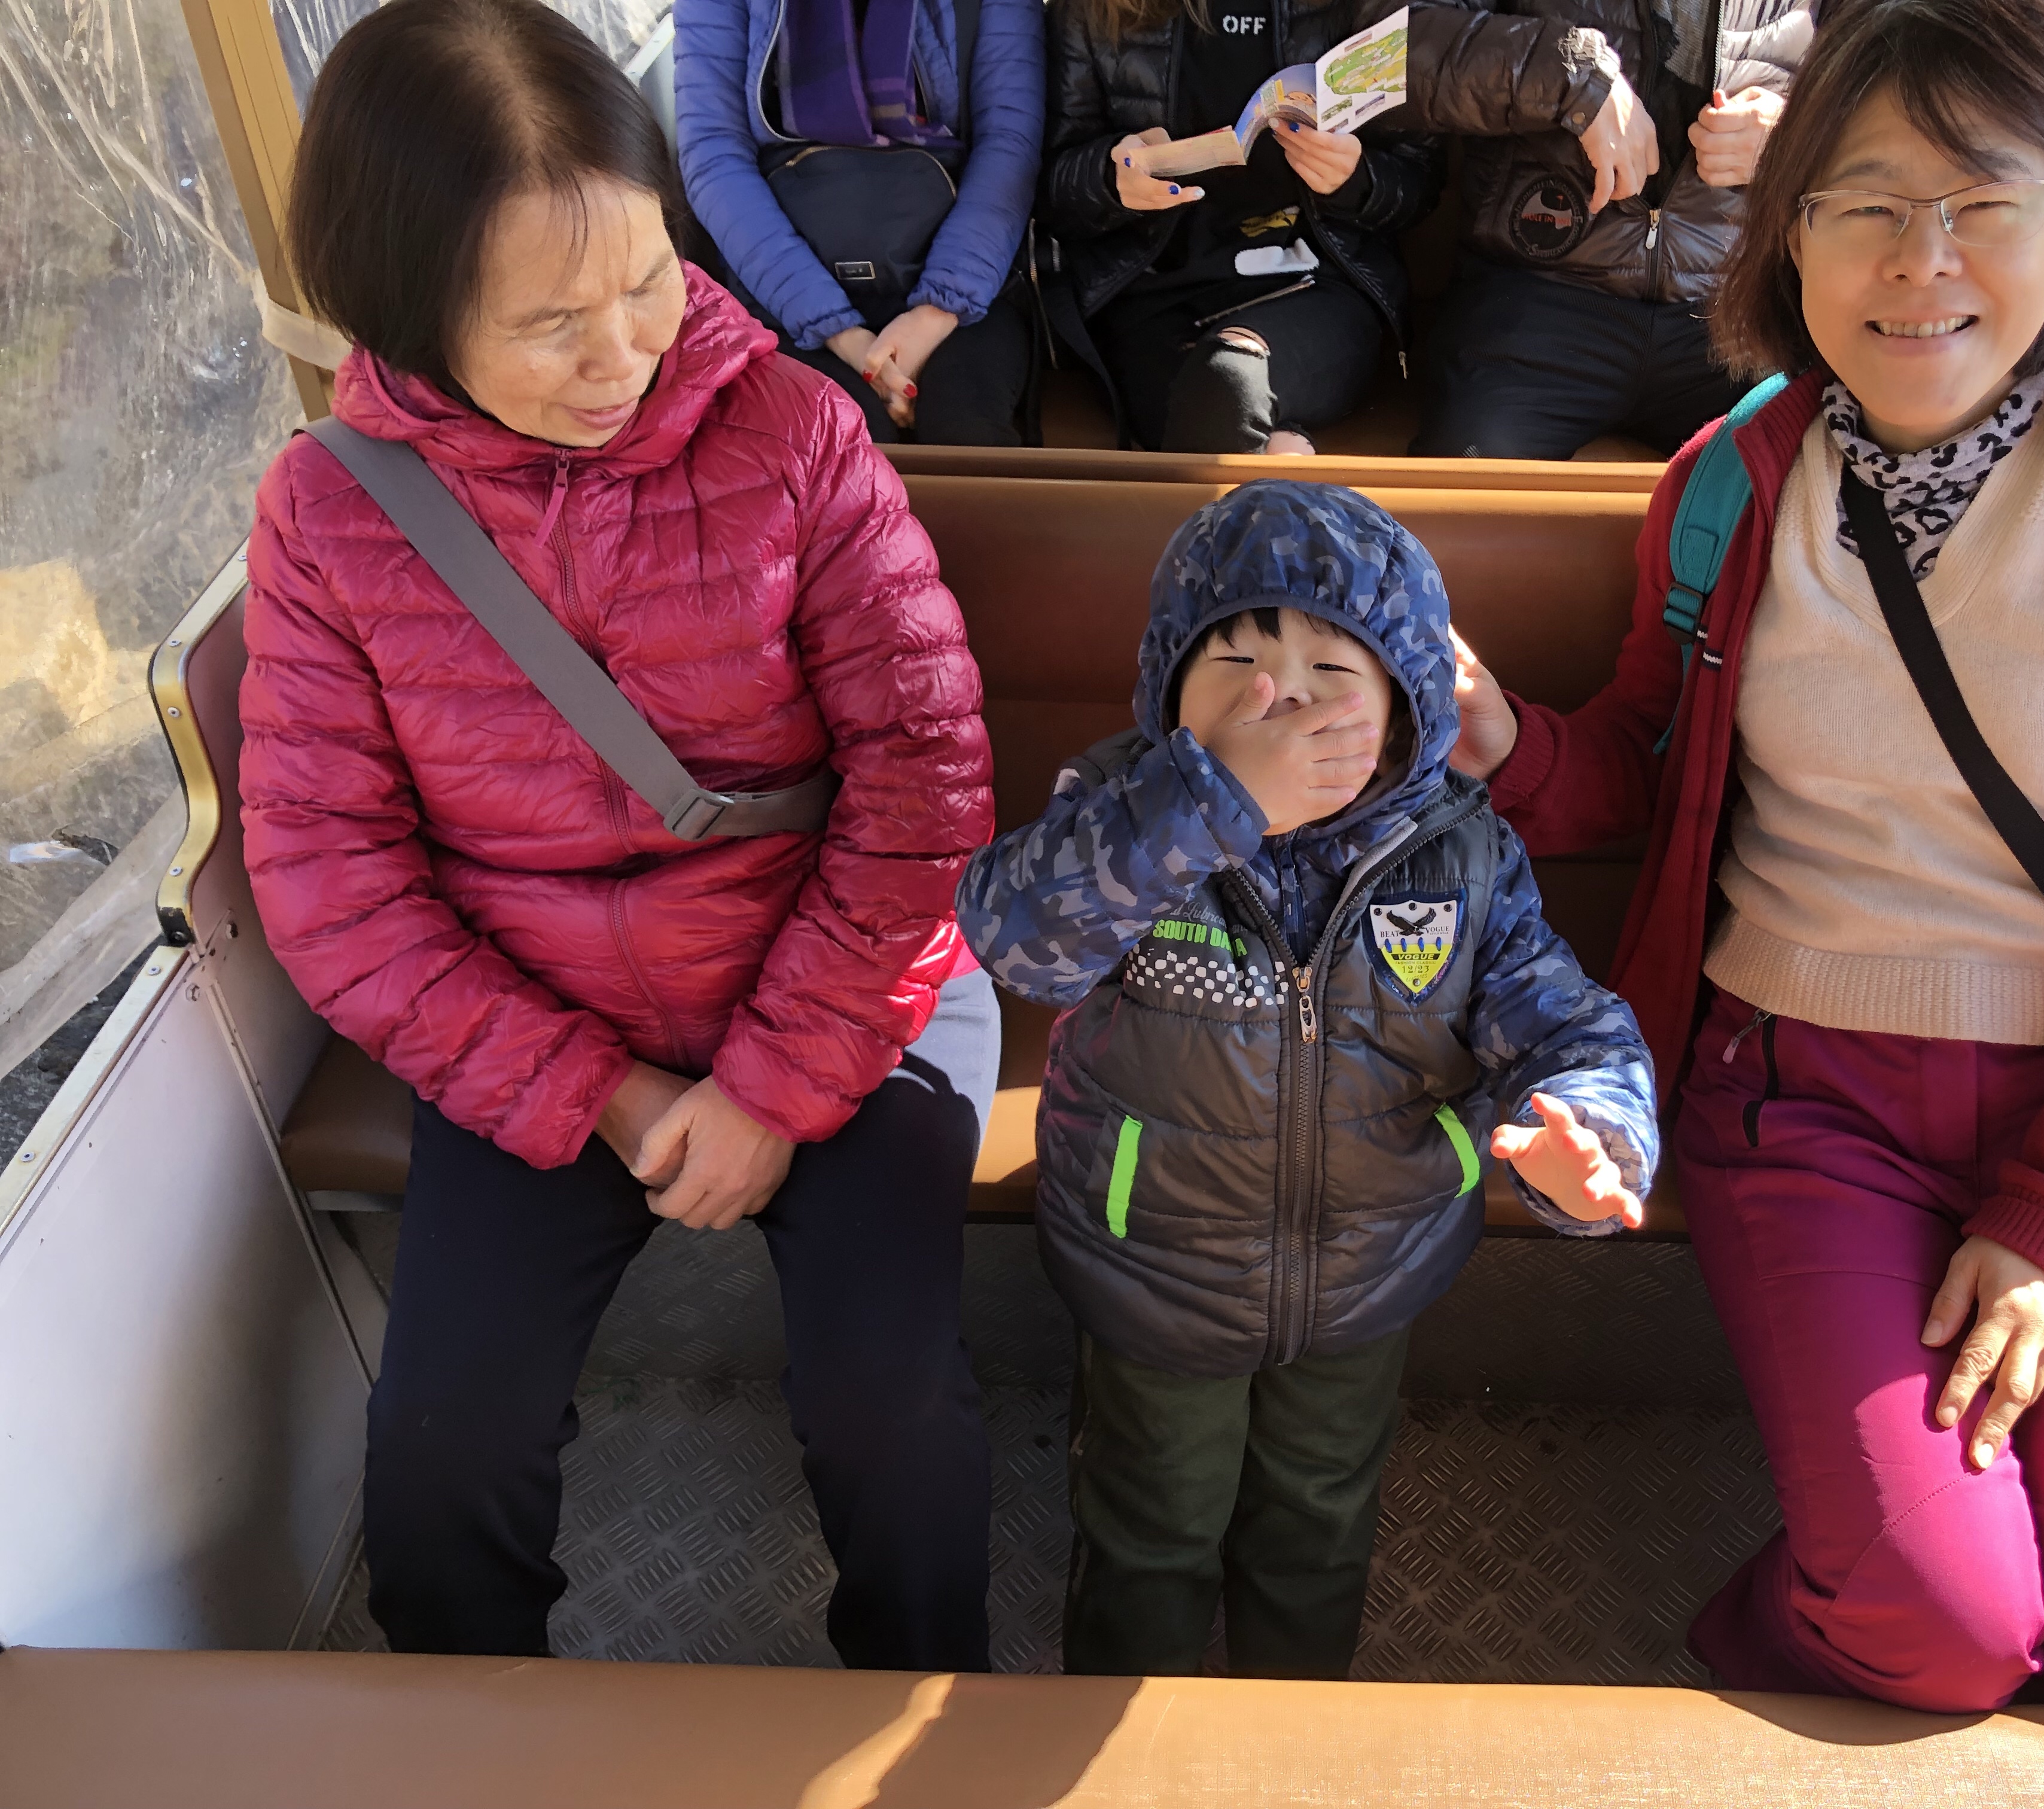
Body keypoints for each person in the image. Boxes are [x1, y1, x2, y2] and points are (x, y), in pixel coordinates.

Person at [1450, 0, 2044, 1712]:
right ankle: (1805, 1626)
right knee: (1947, 1629)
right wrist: (1504, 745)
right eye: (1862, 202)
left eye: (1981, 198)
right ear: (1790, 232)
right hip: (1806, 1100)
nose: (1920, 259)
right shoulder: (1729, 484)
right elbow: (1649, 762)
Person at [244, 0, 998, 1667]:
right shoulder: (332, 512)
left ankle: (926, 1710)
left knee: (896, 1421)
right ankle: (488, 1747)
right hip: (539, 1023)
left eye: (649, 279)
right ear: (408, 311)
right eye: (549, 323)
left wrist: (773, 1087)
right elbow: (334, 883)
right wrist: (611, 1093)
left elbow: (922, 782)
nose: (624, 356)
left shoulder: (796, 432)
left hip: (843, 983)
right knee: (438, 1459)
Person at [956, 480, 1661, 1677]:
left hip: (1370, 1270)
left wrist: (1594, 1130)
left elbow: (1563, 1019)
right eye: (1235, 662)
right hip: (1155, 1268)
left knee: (1319, 1527)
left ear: (1407, 707)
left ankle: (1294, 1725)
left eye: (1332, 672)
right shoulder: (1127, 809)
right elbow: (1017, 938)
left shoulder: (1458, 848)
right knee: (1148, 1526)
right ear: (1167, 683)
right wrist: (1209, 802)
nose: (1277, 701)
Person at [1402, 0, 1812, 458]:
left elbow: (1873, 82)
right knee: (1466, 487)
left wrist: (1797, 135)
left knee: (1812, 474)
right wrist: (1567, 75)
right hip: (1536, 302)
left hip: (1741, 313)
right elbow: (1383, 56)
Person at [1040, 0, 1443, 453]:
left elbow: (1419, 181)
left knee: (1228, 380)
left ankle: (1282, 458)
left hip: (1314, 286)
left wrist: (1356, 181)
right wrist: (1109, 179)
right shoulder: (1098, 10)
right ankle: (1286, 459)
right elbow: (1051, 189)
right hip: (1156, 297)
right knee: (1221, 408)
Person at [675, 0, 1043, 444]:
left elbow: (1008, 145)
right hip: (784, 289)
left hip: (965, 281)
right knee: (845, 446)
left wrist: (938, 311)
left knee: (968, 434)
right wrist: (837, 331)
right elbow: (714, 156)